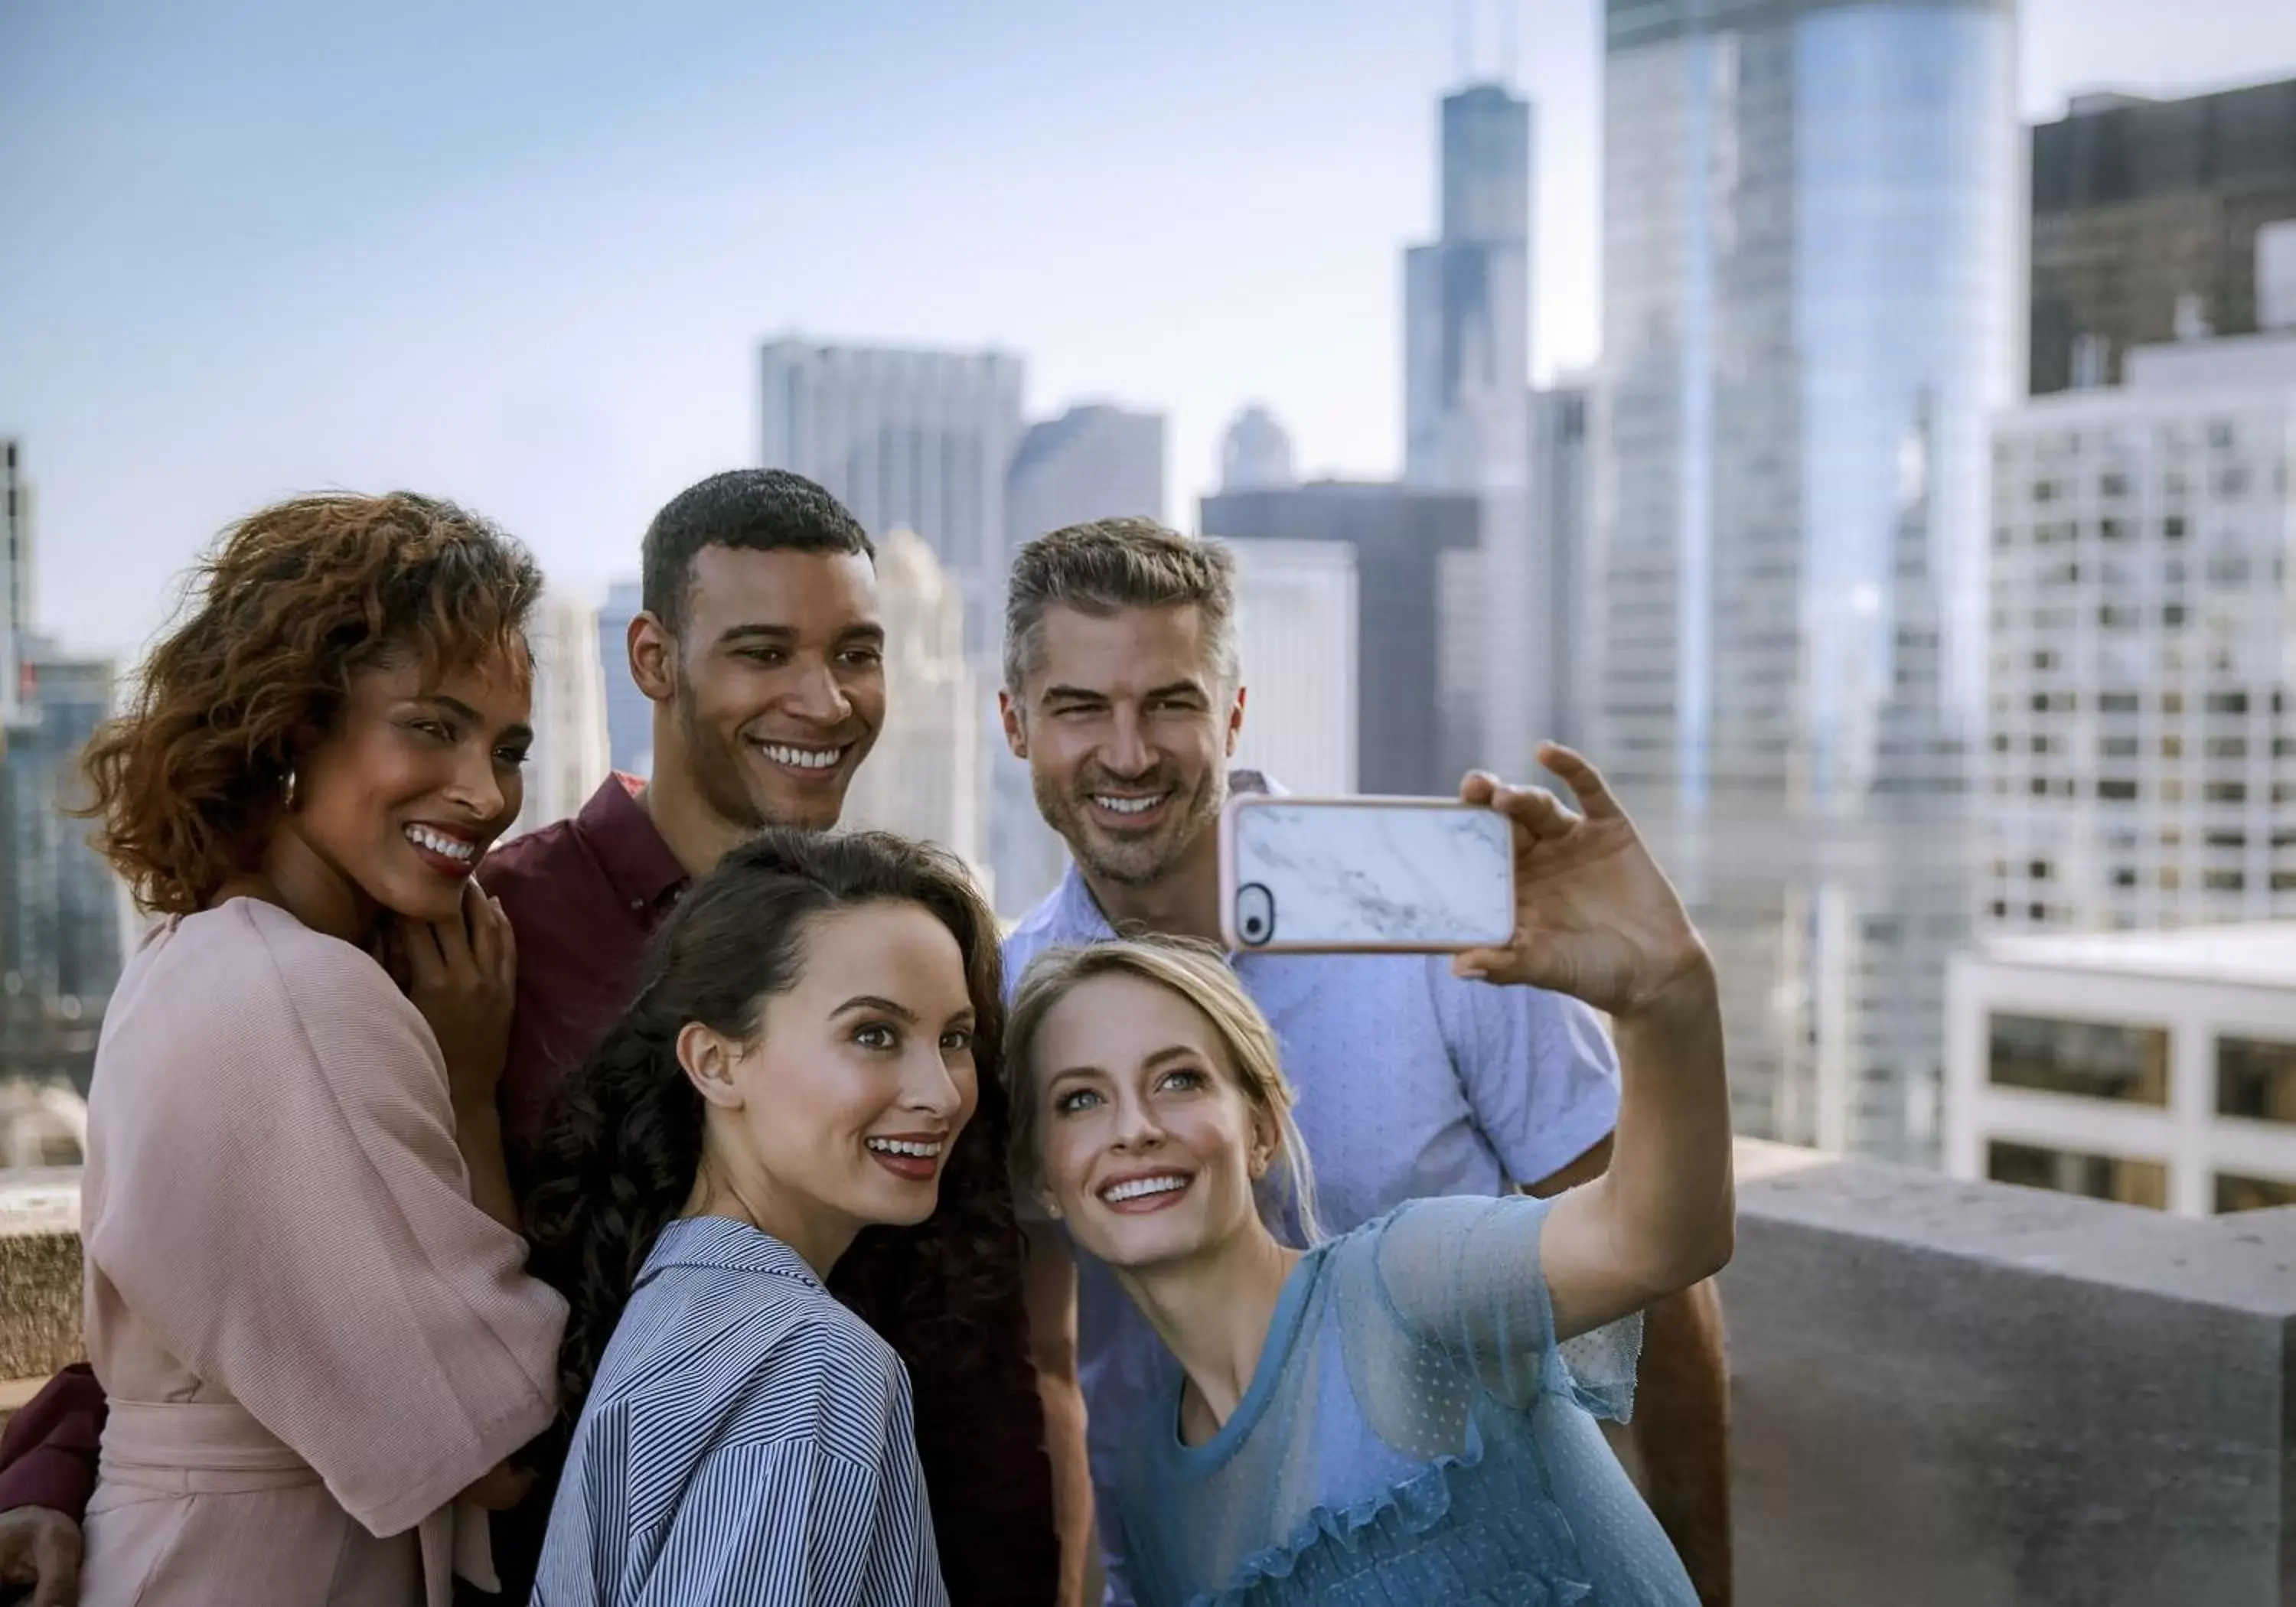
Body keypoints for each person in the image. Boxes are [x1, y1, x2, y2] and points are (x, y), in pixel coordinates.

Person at [0, 470, 1062, 1606]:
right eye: (763, 652)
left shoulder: (916, 947)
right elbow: (258, 1292)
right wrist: (57, 1462)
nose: (822, 700)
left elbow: (984, 1337)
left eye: (856, 654)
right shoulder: (455, 947)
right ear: (652, 660)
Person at [997, 518, 1733, 1603]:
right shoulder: (1015, 1000)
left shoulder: (1431, 916)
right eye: (1078, 709)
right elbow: (1046, 1362)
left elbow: (1657, 1275)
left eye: (1170, 703)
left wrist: (1710, 1585)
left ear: (1233, 711)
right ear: (1015, 724)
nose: (1128, 751)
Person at [64, 493, 569, 1604]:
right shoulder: (298, 992)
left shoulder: (193, 954)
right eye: (432, 727)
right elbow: (496, 1442)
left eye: (510, 747)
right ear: (295, 725)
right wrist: (473, 1099)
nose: (487, 794)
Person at [523, 827, 1013, 1606]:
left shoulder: (673, 1303)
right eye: (874, 1034)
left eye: (954, 1038)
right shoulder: (810, 1363)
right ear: (716, 1063)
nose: (943, 1092)